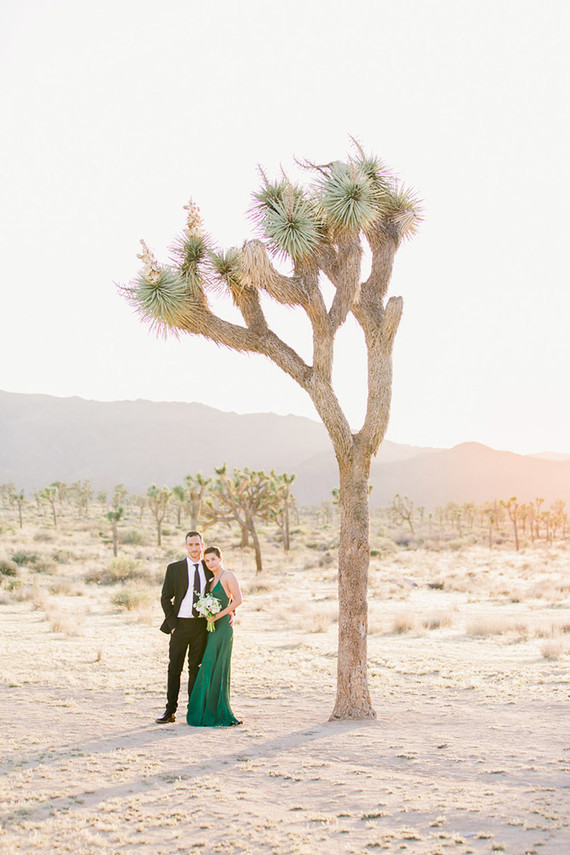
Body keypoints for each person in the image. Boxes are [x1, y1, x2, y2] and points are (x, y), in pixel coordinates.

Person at [155, 530, 213, 724]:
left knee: (195, 668)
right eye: (191, 545)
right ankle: (170, 711)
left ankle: (193, 711)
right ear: (186, 546)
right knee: (174, 669)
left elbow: (222, 590)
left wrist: (231, 612)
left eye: (197, 544)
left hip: (200, 626)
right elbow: (165, 598)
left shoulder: (209, 567)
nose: (194, 548)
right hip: (179, 625)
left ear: (202, 545)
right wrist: (173, 625)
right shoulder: (174, 569)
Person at [186, 545, 243, 727]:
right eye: (207, 560)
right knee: (209, 665)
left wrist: (220, 615)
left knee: (220, 666)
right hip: (211, 628)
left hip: (223, 628)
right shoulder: (210, 580)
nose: (210, 563)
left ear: (220, 559)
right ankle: (204, 709)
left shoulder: (228, 576)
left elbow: (238, 600)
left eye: (213, 559)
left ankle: (219, 710)